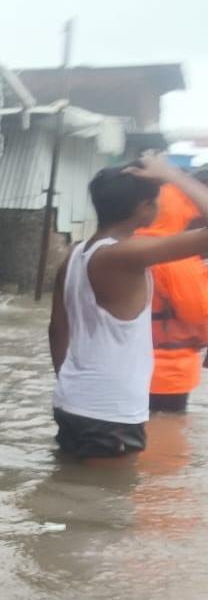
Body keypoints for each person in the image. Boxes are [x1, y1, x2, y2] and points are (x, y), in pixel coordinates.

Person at [50, 155, 208, 459]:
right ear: (143, 208)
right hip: (109, 412)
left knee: (75, 492)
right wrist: (173, 175)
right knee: (108, 501)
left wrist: (73, 386)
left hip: (72, 400)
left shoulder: (74, 256)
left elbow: (57, 331)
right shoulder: (123, 255)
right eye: (155, 201)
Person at [134, 184, 208, 413]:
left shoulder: (121, 248)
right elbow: (199, 314)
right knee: (166, 436)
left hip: (123, 366)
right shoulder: (177, 259)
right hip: (168, 372)